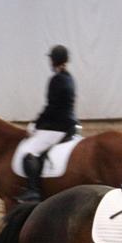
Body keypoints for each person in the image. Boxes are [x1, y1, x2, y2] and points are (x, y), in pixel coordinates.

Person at [17, 45, 78, 203]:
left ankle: (33, 191)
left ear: (54, 60)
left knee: (29, 153)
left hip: (57, 128)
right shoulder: (69, 77)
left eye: (51, 58)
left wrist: (36, 124)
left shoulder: (56, 80)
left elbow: (51, 108)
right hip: (69, 125)